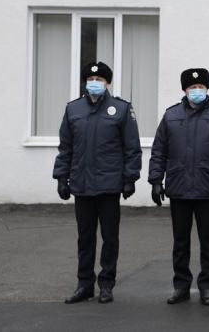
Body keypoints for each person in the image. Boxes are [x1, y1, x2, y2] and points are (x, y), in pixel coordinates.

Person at [148, 68, 209, 306]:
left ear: (207, 88)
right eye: (192, 87)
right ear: (185, 90)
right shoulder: (171, 116)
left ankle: (206, 286)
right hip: (179, 188)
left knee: (208, 241)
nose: (196, 90)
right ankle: (181, 286)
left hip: (208, 188)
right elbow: (159, 150)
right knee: (180, 242)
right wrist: (156, 180)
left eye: (200, 87)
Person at [53, 61, 142, 304]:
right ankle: (84, 284)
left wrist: (130, 178)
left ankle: (106, 284)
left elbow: (132, 147)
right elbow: (65, 148)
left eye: (99, 80)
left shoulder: (121, 109)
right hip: (81, 184)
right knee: (85, 238)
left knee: (110, 238)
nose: (94, 83)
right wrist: (61, 177)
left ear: (107, 83)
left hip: (109, 185)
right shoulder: (73, 109)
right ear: (85, 82)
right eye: (91, 80)